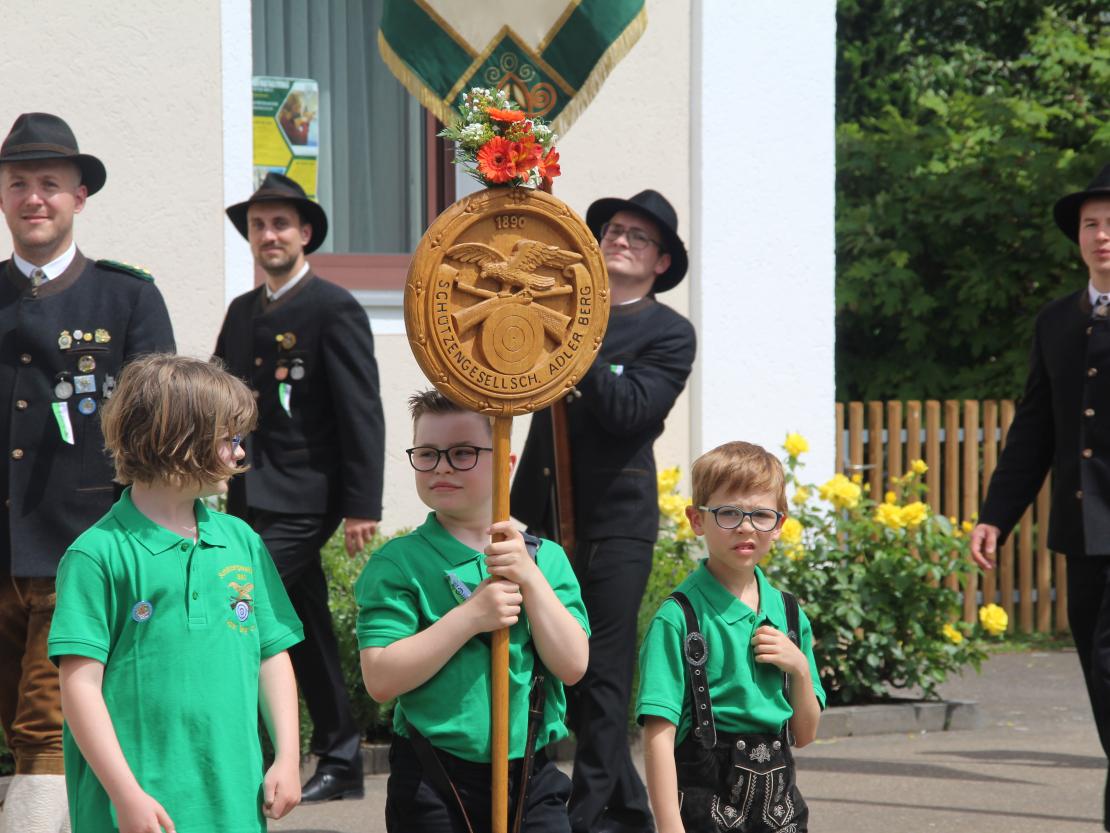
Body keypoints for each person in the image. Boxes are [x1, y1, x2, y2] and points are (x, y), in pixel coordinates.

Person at [0, 112, 175, 833]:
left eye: (49, 184)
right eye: (18, 184)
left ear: (79, 197)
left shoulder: (126, 298)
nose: (33, 198)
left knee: (45, 728)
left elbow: (160, 436)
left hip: (80, 550)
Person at [47, 354, 303, 833]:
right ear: (178, 440)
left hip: (233, 804)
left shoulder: (241, 541)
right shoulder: (97, 554)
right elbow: (79, 688)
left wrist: (288, 756)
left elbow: (271, 655)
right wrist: (125, 795)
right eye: (230, 440)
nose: (240, 454)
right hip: (137, 810)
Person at [511, 189, 697, 833]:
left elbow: (628, 413)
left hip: (615, 520)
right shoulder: (558, 308)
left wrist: (575, 332)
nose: (618, 239)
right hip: (539, 509)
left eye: (637, 237)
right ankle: (605, 807)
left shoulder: (669, 332)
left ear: (661, 264)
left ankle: (586, 818)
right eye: (613, 229)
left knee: (604, 672)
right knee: (535, 656)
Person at [214, 172, 386, 802]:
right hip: (250, 496)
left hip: (306, 500)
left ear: (305, 232)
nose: (269, 235)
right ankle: (341, 756)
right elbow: (220, 399)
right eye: (259, 225)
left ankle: (250, 755)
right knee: (304, 622)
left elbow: (360, 410)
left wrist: (363, 504)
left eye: (281, 223)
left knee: (241, 606)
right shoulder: (240, 313)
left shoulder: (333, 306)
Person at [356, 390, 590, 832]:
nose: (442, 466)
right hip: (433, 777)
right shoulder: (399, 563)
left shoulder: (546, 560)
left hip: (530, 775)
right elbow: (381, 679)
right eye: (427, 454)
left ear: (505, 460)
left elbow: (574, 665)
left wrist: (531, 579)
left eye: (463, 453)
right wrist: (470, 617)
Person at [972, 164, 1110, 830]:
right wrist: (997, 516)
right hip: (1082, 531)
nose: (1102, 236)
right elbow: (1034, 430)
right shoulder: (1057, 320)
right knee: (1096, 664)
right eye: (1091, 224)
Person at [637, 441, 823, 833]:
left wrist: (800, 669)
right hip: (706, 808)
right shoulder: (678, 619)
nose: (745, 526)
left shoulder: (789, 615)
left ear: (779, 524)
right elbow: (658, 737)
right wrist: (669, 827)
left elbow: (805, 734)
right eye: (728, 513)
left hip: (780, 809)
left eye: (760, 515)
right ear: (696, 520)